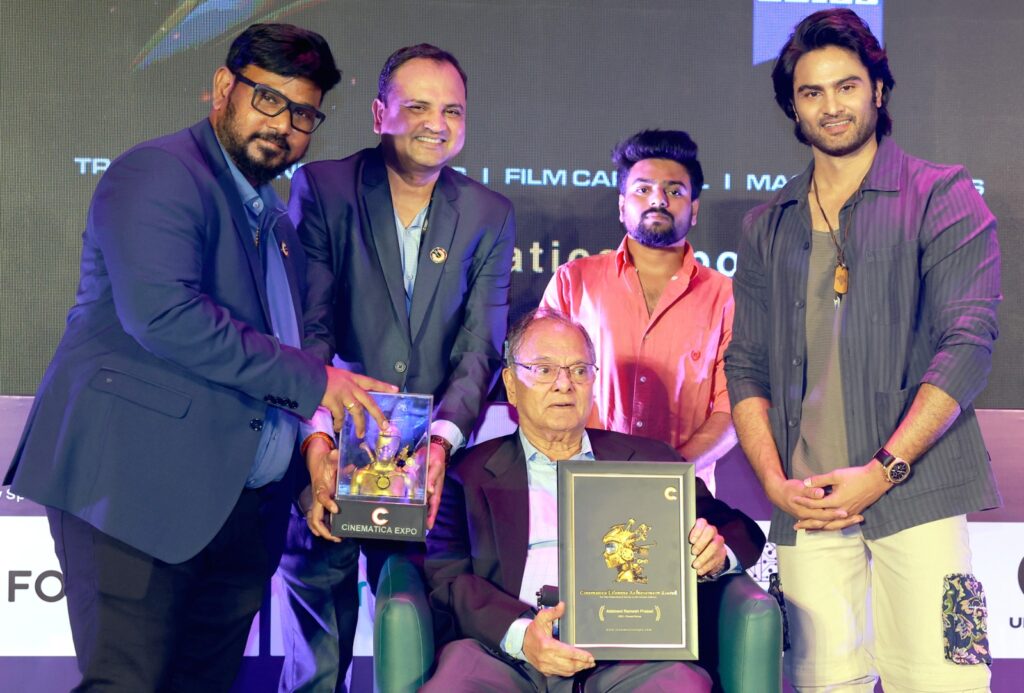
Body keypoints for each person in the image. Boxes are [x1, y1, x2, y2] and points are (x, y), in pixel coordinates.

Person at [2, 23, 396, 692]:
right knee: (127, 683)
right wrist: (318, 380)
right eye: (269, 100)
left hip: (238, 517)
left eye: (303, 113)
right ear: (223, 88)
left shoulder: (276, 226)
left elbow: (264, 365)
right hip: (137, 491)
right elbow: (166, 317)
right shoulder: (159, 173)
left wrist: (303, 472)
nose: (285, 126)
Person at [724, 8, 1001, 692]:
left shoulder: (944, 195)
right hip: (809, 505)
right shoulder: (768, 224)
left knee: (951, 679)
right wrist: (773, 485)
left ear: (879, 89)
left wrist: (883, 469)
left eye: (848, 86)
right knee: (820, 684)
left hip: (924, 497)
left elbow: (966, 345)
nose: (832, 106)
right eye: (812, 92)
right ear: (792, 105)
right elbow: (746, 363)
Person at [276, 43, 516, 692]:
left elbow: (480, 348)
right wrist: (317, 437)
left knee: (413, 645)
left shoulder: (490, 214)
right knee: (316, 655)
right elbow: (309, 327)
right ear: (380, 113)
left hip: (426, 469)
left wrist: (440, 440)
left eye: (452, 111)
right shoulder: (324, 188)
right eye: (415, 106)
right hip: (328, 447)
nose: (435, 123)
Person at [423, 310, 766, 692]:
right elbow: (448, 579)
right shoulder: (464, 474)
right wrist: (523, 635)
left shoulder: (651, 462)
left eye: (579, 370)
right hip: (504, 655)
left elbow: (742, 530)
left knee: (679, 684)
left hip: (628, 657)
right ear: (511, 384)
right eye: (543, 369)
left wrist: (718, 555)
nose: (564, 384)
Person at [541, 130, 735, 494]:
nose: (658, 200)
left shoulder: (725, 297)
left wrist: (670, 473)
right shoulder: (574, 283)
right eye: (643, 189)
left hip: (684, 497)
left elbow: (732, 409)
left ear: (694, 210)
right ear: (621, 205)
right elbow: (539, 386)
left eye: (675, 191)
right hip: (579, 489)